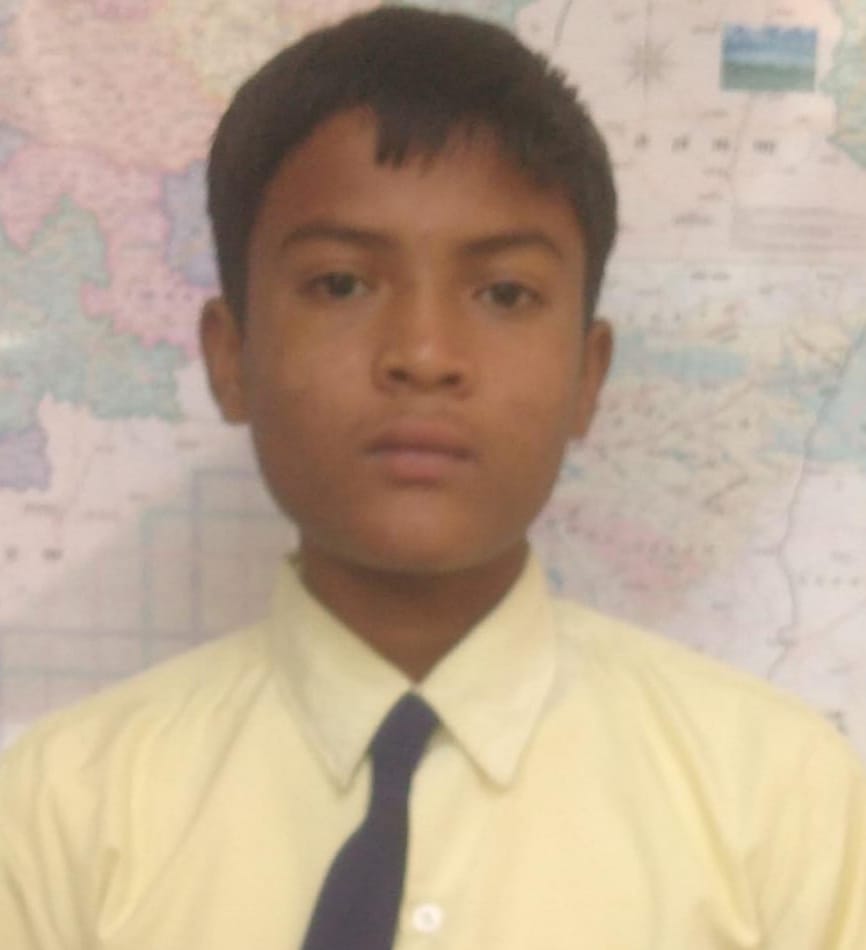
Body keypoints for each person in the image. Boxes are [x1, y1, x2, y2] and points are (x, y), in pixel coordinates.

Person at [1, 7, 864, 949]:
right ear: (229, 356)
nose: (422, 354)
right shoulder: (59, 821)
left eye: (504, 293)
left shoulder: (783, 809)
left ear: (588, 376)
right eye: (341, 283)